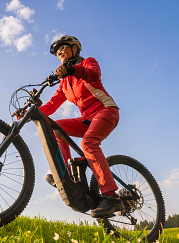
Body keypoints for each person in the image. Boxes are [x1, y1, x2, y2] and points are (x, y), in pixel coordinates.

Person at [39, 35, 122, 218]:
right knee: (55, 128)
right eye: (57, 51)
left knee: (88, 143)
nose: (59, 52)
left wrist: (72, 70)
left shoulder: (87, 63)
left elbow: (94, 75)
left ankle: (111, 196)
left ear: (75, 48)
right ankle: (66, 174)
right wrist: (32, 111)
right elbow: (52, 105)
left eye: (63, 48)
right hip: (87, 119)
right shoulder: (65, 82)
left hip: (106, 111)